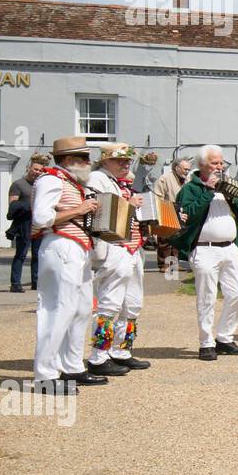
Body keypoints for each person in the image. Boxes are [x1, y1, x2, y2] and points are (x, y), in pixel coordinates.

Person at [32, 137, 106, 389]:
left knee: (82, 308)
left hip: (78, 248)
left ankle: (71, 366)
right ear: (68, 160)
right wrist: (81, 210)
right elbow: (42, 218)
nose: (88, 162)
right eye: (84, 157)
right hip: (60, 245)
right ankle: (45, 373)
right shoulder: (51, 178)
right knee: (57, 309)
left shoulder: (71, 182)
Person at [170, 145, 238, 361]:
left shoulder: (227, 187)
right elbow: (186, 215)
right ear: (201, 166)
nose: (219, 167)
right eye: (214, 163)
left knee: (237, 294)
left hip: (229, 247)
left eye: (221, 163)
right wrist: (208, 190)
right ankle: (206, 342)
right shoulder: (191, 189)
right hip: (204, 248)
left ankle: (225, 338)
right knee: (207, 297)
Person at [86, 143, 151, 376]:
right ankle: (98, 356)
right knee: (109, 303)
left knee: (132, 303)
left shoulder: (119, 183)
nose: (125, 164)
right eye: (120, 160)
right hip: (112, 246)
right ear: (104, 161)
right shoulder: (96, 179)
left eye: (127, 161)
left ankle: (121, 350)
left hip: (132, 248)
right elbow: (100, 212)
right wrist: (129, 206)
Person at [7, 155, 48, 292]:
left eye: (40, 170)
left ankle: (36, 282)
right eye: (35, 169)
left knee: (37, 254)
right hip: (24, 222)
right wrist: (28, 206)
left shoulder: (41, 185)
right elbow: (12, 204)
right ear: (29, 168)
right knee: (21, 254)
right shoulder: (18, 184)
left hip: (38, 223)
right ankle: (15, 283)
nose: (37, 172)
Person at [153, 158, 191, 270]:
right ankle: (163, 265)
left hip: (181, 212)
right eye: (185, 169)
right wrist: (165, 210)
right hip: (166, 210)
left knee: (176, 240)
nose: (187, 171)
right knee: (165, 239)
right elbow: (157, 196)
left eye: (189, 169)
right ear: (177, 168)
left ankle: (173, 265)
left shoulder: (187, 179)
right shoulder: (164, 179)